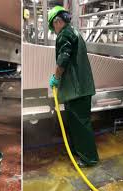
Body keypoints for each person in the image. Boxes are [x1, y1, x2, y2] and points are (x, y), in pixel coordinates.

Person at [48, 6, 99, 167]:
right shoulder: (74, 32)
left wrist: (56, 77)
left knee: (81, 124)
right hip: (79, 89)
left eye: (52, 27)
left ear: (57, 21)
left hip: (77, 90)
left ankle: (89, 158)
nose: (54, 31)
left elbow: (63, 58)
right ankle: (80, 151)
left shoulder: (65, 34)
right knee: (77, 124)